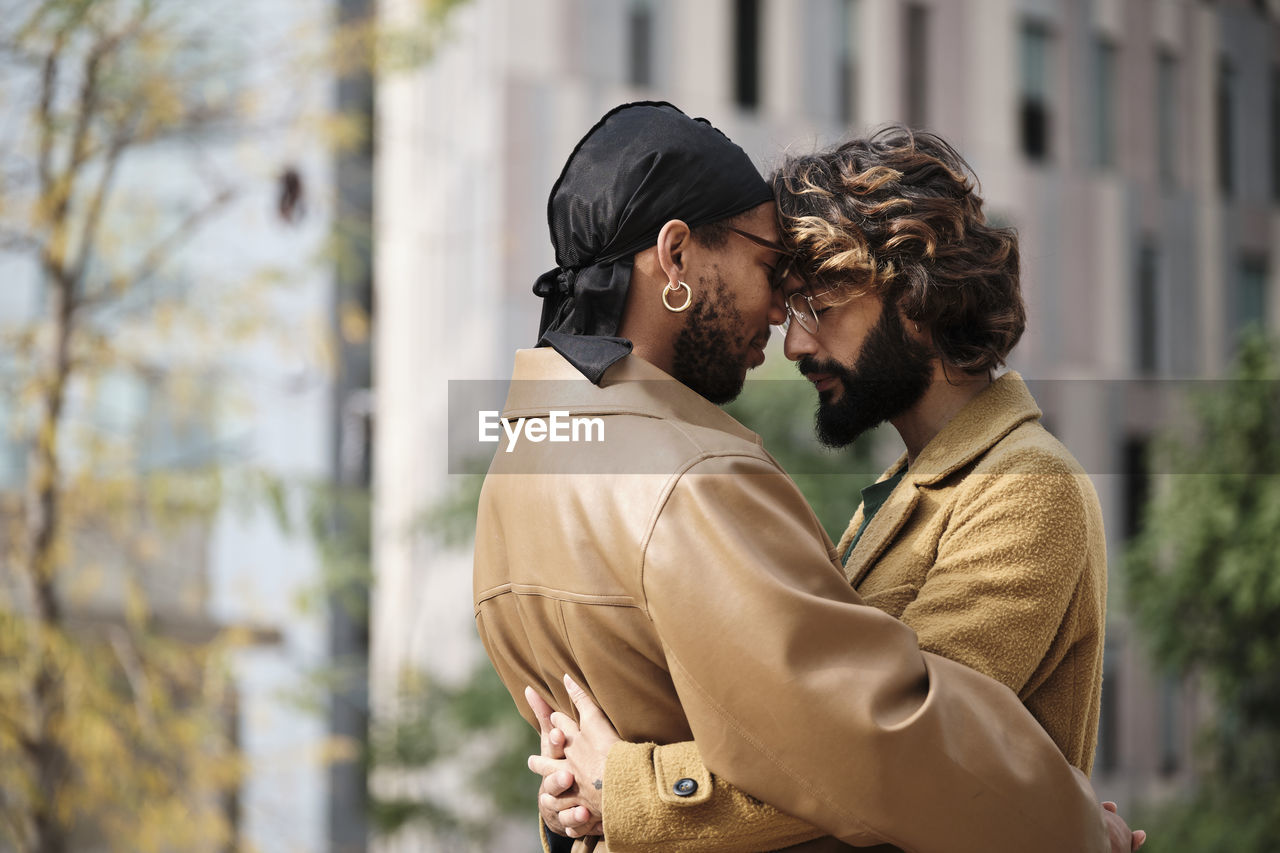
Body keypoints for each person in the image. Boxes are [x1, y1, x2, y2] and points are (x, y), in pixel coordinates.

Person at [472, 101, 1137, 853]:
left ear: (916, 297)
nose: (793, 343)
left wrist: (625, 787)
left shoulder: (1026, 488)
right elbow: (809, 735)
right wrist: (582, 790)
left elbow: (897, 747)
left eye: (818, 307)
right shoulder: (895, 495)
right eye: (789, 306)